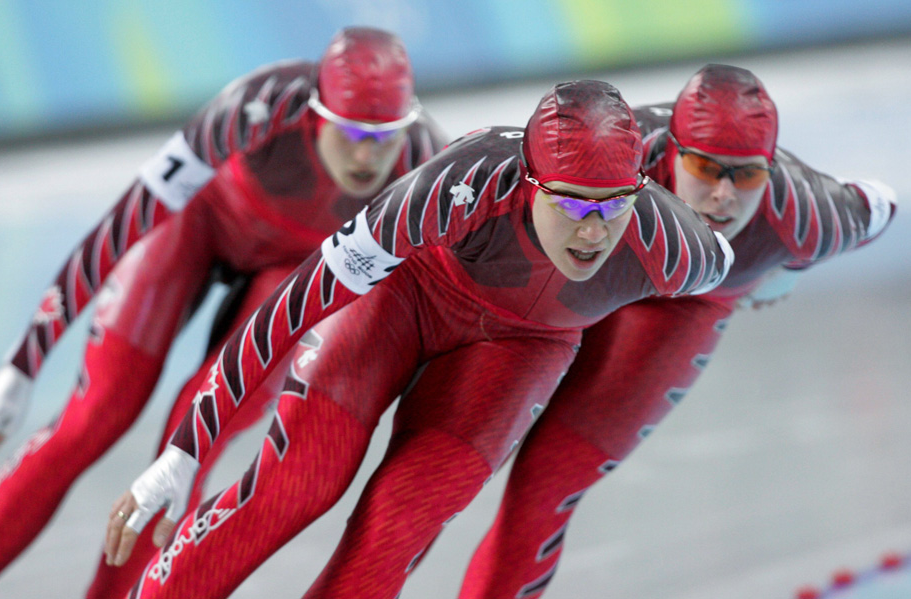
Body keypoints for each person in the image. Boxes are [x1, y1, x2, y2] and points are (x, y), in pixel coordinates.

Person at [102, 79, 733, 599]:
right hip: (406, 297)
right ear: (527, 184)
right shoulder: (455, 186)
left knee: (396, 527)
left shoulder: (679, 249)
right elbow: (289, 308)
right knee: (295, 483)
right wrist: (183, 452)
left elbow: (751, 252)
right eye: (570, 204)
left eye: (612, 206)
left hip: (523, 347)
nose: (593, 232)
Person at [0, 26, 446, 599]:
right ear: (316, 112)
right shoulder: (259, 106)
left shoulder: (424, 163)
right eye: (351, 132)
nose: (366, 155)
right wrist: (23, 364)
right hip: (200, 225)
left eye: (383, 137)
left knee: (191, 451)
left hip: (296, 274)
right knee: (94, 415)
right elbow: (128, 216)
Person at [456, 64, 897, 599]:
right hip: (582, 279)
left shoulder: (806, 213)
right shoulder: (618, 153)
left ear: (771, 168)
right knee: (448, 467)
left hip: (683, 310)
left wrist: (789, 266)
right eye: (706, 168)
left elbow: (878, 204)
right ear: (670, 154)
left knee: (547, 484)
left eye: (747, 175)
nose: (725, 195)